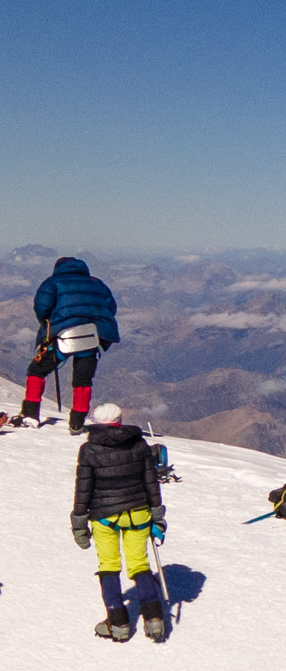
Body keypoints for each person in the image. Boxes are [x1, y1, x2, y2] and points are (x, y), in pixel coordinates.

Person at [68, 403, 166, 643]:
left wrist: (79, 523)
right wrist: (158, 515)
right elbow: (151, 483)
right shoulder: (139, 444)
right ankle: (154, 620)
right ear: (120, 421)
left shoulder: (89, 450)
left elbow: (83, 489)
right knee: (139, 564)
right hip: (138, 514)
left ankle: (119, 623)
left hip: (104, 517)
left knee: (109, 566)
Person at [17, 257, 120, 433]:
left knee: (37, 370)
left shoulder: (52, 282)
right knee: (83, 380)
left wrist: (48, 325)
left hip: (62, 336)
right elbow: (111, 307)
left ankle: (30, 414)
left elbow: (41, 307)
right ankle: (77, 423)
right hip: (92, 336)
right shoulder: (98, 283)